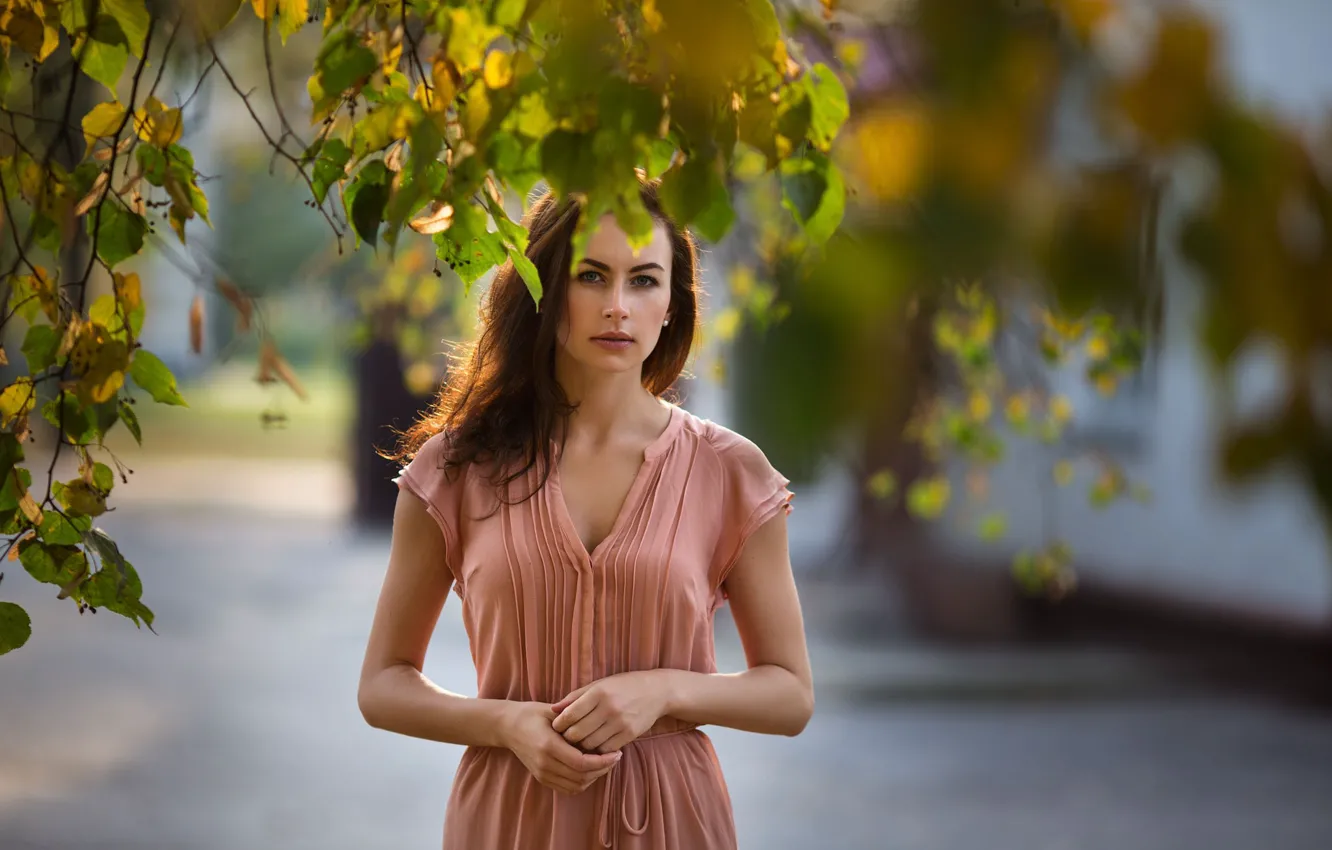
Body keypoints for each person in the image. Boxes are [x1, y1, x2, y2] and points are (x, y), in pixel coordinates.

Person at [358, 177, 814, 850]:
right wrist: (506, 725)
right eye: (592, 276)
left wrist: (663, 691)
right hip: (509, 820)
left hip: (672, 821)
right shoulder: (457, 469)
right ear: (544, 290)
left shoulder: (731, 472)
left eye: (644, 281)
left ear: (671, 305)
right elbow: (382, 685)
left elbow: (790, 694)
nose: (618, 307)